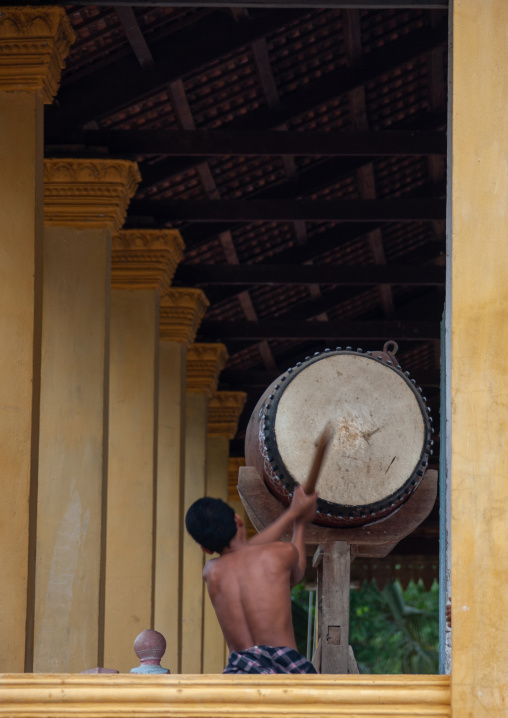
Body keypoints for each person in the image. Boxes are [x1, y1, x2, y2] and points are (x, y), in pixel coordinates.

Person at [185, 485, 318, 674]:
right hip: (284, 670)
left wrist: (293, 512)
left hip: (240, 674)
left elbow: (244, 552)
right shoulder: (282, 553)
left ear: (205, 549)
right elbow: (297, 574)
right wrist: (299, 521)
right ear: (238, 519)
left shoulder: (211, 572)